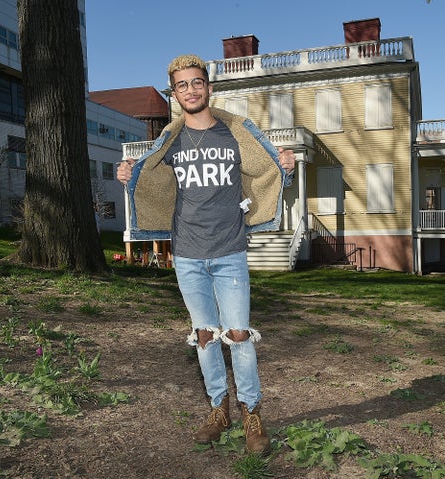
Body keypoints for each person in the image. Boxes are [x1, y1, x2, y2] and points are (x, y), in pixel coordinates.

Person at [117, 54, 295, 455]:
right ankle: (219, 410)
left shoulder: (234, 134)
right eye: (182, 85)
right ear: (175, 93)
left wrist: (285, 165)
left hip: (229, 250)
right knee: (203, 337)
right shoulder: (171, 140)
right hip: (187, 254)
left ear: (208, 88)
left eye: (197, 83)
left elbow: (267, 167)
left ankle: (252, 414)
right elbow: (146, 177)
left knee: (238, 336)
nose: (191, 90)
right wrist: (128, 175)